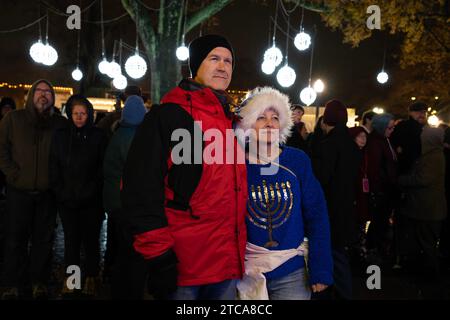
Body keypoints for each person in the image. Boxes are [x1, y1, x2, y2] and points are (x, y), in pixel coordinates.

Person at [121, 34, 248, 300]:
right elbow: (140, 189)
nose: (223, 66)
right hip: (183, 267)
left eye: (228, 61)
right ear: (196, 65)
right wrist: (158, 255)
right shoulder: (168, 115)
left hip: (225, 268)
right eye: (214, 58)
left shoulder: (233, 123)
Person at [235, 87, 333, 300]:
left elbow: (317, 215)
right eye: (261, 118)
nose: (270, 123)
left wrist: (321, 268)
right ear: (249, 125)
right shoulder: (237, 163)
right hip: (246, 271)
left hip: (291, 271)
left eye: (275, 118)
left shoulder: (297, 160)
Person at [0, 80, 67, 299]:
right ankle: (11, 283)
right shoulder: (13, 119)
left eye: (48, 92)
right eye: (39, 91)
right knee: (14, 240)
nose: (44, 95)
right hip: (19, 191)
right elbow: (2, 150)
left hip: (47, 193)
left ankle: (38, 281)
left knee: (44, 241)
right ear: (31, 95)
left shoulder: (59, 123)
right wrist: (13, 173)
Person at [49, 94, 107, 297]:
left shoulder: (98, 137)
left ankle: (92, 277)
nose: (79, 117)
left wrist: (91, 191)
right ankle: (72, 279)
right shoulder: (61, 136)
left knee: (91, 242)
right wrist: (62, 193)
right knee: (71, 242)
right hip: (68, 201)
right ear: (70, 114)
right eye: (76, 113)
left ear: (89, 114)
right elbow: (54, 166)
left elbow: (102, 169)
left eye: (83, 113)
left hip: (91, 201)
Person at [311, 100, 360, 299]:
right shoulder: (352, 144)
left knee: (335, 254)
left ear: (327, 119)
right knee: (339, 252)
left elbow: (322, 177)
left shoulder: (329, 144)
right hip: (346, 206)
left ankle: (342, 292)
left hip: (330, 208)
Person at [102, 95, 148, 299]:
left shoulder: (119, 132)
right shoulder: (133, 137)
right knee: (131, 252)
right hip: (127, 204)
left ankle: (114, 283)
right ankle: (128, 291)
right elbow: (138, 173)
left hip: (115, 203)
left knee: (119, 247)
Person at [365, 113, 397, 262]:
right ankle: (373, 250)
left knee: (381, 221)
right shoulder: (376, 142)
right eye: (390, 128)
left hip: (386, 188)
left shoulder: (384, 140)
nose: (392, 130)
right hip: (381, 189)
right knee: (378, 222)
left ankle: (375, 248)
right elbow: (375, 167)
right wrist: (379, 187)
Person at [391, 101, 427, 175]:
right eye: (418, 112)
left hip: (421, 167)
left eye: (424, 112)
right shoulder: (402, 126)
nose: (421, 115)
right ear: (410, 113)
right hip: (406, 168)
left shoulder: (426, 128)